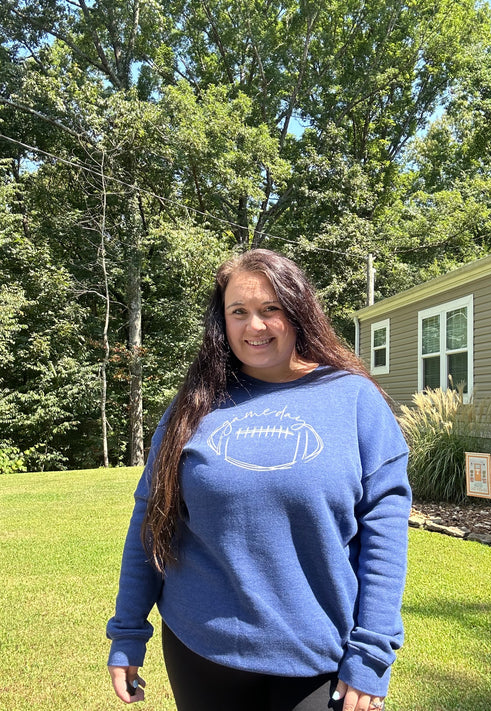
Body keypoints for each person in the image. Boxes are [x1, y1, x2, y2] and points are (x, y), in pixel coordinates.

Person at [107, 249, 411, 711]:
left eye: (271, 309)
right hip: (202, 649)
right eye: (239, 312)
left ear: (298, 310)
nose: (256, 326)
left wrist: (372, 652)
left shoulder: (354, 400)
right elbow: (152, 519)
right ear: (222, 322)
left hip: (318, 652)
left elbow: (385, 534)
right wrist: (128, 631)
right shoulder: (194, 405)